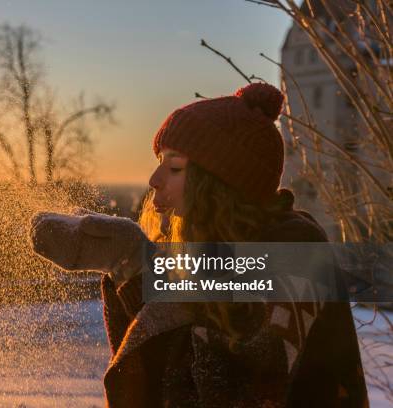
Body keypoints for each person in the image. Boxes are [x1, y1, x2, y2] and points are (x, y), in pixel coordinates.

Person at [29, 83, 368, 407]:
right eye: (160, 163)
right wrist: (123, 269)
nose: (154, 181)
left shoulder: (295, 256)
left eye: (175, 167)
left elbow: (226, 392)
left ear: (221, 185)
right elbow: (168, 362)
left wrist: (135, 266)